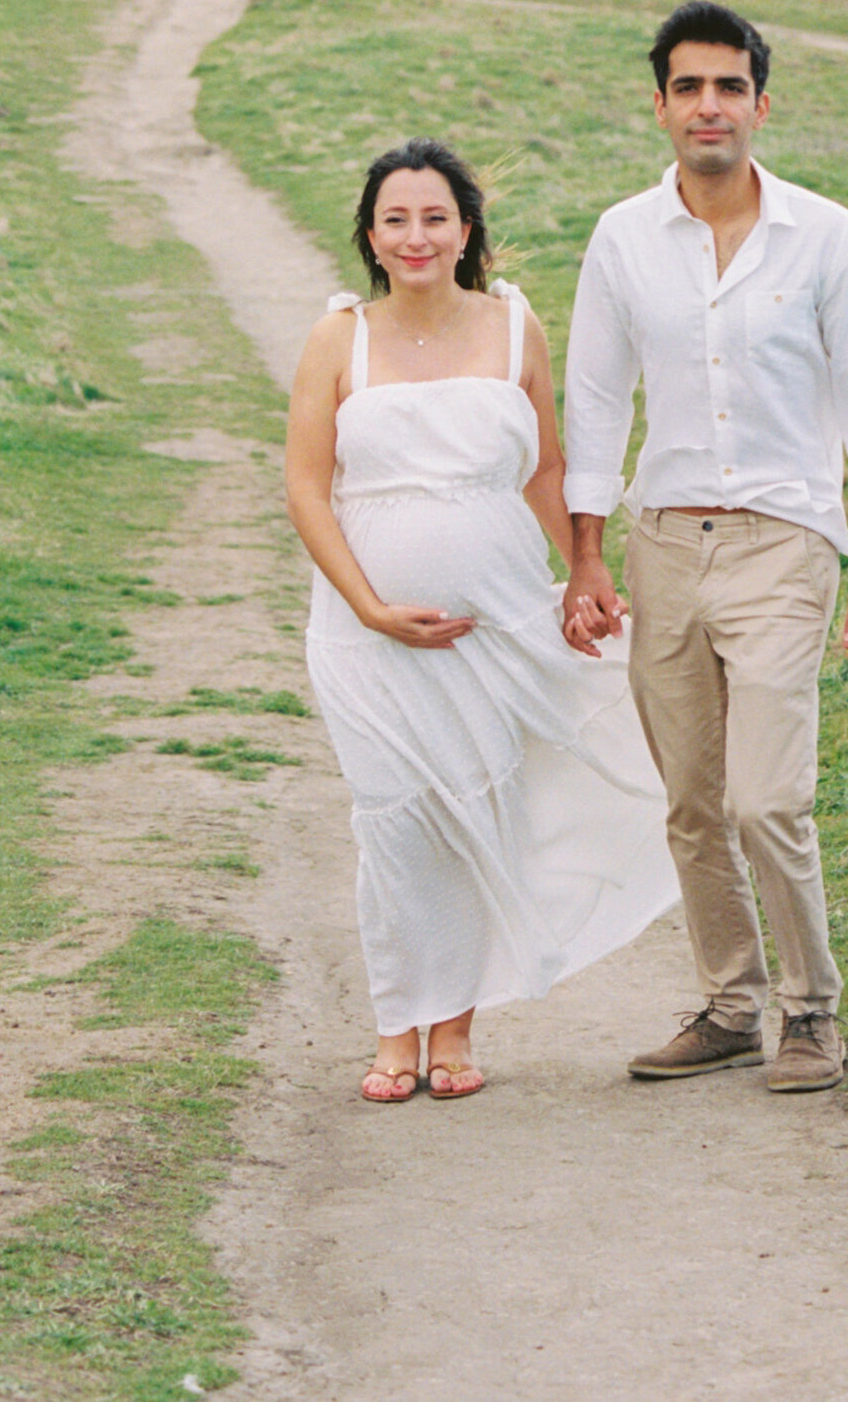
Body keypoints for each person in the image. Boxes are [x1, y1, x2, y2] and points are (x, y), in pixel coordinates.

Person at [560, 0, 848, 1095]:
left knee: (769, 796)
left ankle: (811, 1009)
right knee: (690, 800)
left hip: (785, 543)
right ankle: (729, 1003)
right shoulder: (623, 235)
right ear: (659, 104)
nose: (706, 105)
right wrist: (586, 557)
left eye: (727, 85)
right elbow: (592, 398)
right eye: (686, 86)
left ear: (761, 103)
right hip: (665, 543)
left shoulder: (825, 234)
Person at [286, 135, 678, 1103]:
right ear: (371, 237)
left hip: (494, 616)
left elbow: (546, 467)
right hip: (364, 631)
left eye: (434, 216)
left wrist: (587, 566)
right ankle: (394, 1028)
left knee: (474, 805)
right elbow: (305, 485)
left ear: (466, 229)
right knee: (396, 821)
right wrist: (370, 606)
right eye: (394, 218)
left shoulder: (512, 326)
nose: (415, 235)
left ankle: (454, 1028)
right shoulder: (341, 335)